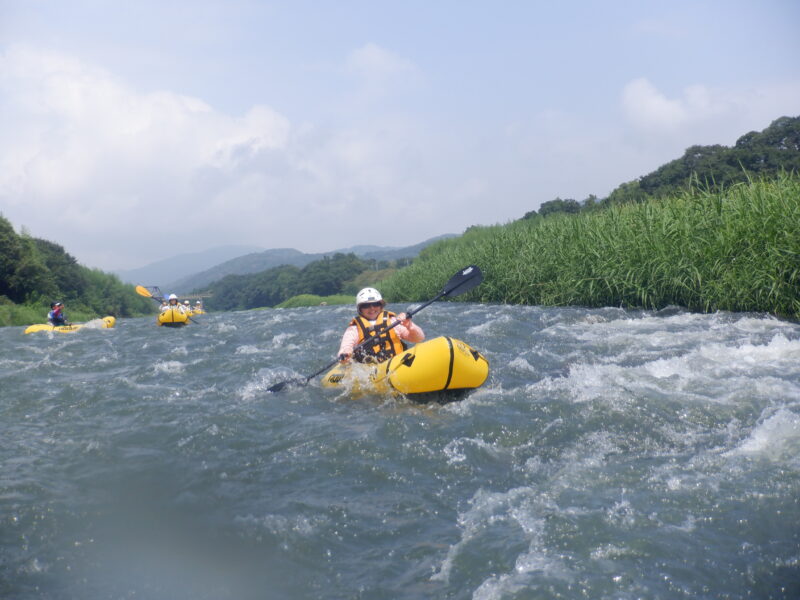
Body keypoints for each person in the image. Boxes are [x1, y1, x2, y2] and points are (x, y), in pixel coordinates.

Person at [337, 287, 424, 364]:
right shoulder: (354, 329)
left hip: (397, 363)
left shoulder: (393, 321)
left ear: (381, 305)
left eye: (375, 304)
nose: (372, 308)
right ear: (360, 309)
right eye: (366, 305)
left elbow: (419, 338)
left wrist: (410, 326)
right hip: (371, 370)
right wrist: (345, 354)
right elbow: (345, 346)